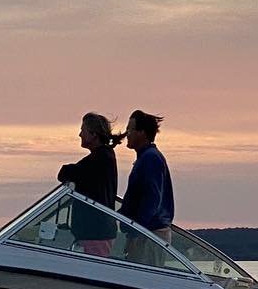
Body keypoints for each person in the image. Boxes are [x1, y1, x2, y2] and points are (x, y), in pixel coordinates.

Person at [57, 112, 118, 254]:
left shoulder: (100, 159)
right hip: (97, 231)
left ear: (93, 134)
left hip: (96, 233)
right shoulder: (103, 157)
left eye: (83, 130)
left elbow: (66, 173)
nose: (80, 134)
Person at [118, 108, 175, 249]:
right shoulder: (146, 157)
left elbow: (152, 197)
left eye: (130, 130)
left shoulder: (150, 158)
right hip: (146, 232)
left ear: (142, 133)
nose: (127, 135)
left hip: (150, 234)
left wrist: (138, 229)